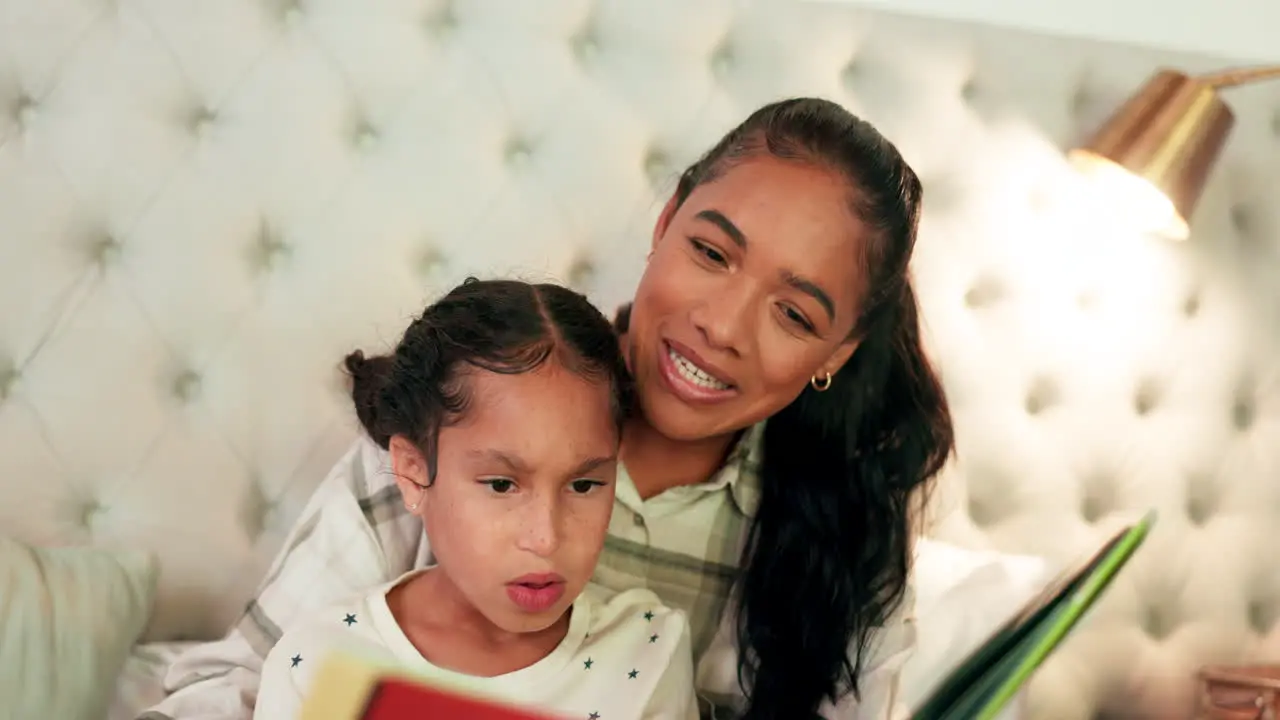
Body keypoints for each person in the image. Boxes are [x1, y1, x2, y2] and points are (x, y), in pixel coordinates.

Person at [139, 97, 955, 720]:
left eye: (796, 315)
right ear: (666, 221)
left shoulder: (845, 535)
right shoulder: (453, 426)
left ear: (838, 354)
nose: (721, 326)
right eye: (712, 253)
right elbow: (236, 684)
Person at [250, 278, 699, 720]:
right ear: (413, 472)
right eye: (502, 485)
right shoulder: (318, 663)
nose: (545, 539)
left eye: (583, 485)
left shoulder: (647, 655)